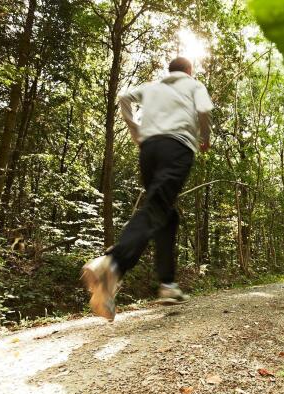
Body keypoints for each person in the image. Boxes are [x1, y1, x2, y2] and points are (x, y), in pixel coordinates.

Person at [81, 57, 213, 321]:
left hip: (149, 150)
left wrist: (137, 133)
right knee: (157, 207)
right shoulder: (194, 85)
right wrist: (205, 138)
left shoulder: (152, 86)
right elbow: (204, 112)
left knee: (166, 212)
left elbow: (123, 98)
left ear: (170, 70)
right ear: (188, 71)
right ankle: (113, 264)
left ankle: (167, 283)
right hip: (177, 148)